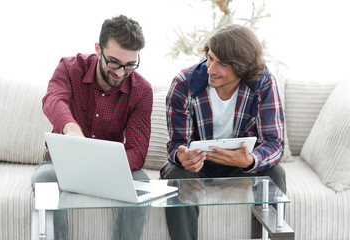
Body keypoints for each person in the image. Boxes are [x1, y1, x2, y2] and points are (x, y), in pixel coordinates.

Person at [31, 15, 153, 240]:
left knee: (142, 180)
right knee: (44, 180)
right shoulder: (69, 67)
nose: (119, 72)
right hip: (61, 165)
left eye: (129, 65)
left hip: (111, 168)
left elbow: (138, 151)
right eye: (114, 62)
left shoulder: (142, 91)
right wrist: (71, 127)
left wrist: (103, 167)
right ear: (98, 49)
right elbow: (53, 99)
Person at [160, 24, 286, 240]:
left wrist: (250, 160)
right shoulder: (184, 84)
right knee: (176, 175)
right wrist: (182, 156)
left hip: (240, 166)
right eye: (210, 58)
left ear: (242, 67)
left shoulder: (263, 82)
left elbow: (274, 143)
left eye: (222, 64)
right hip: (198, 167)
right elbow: (176, 143)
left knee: (276, 173)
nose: (211, 69)